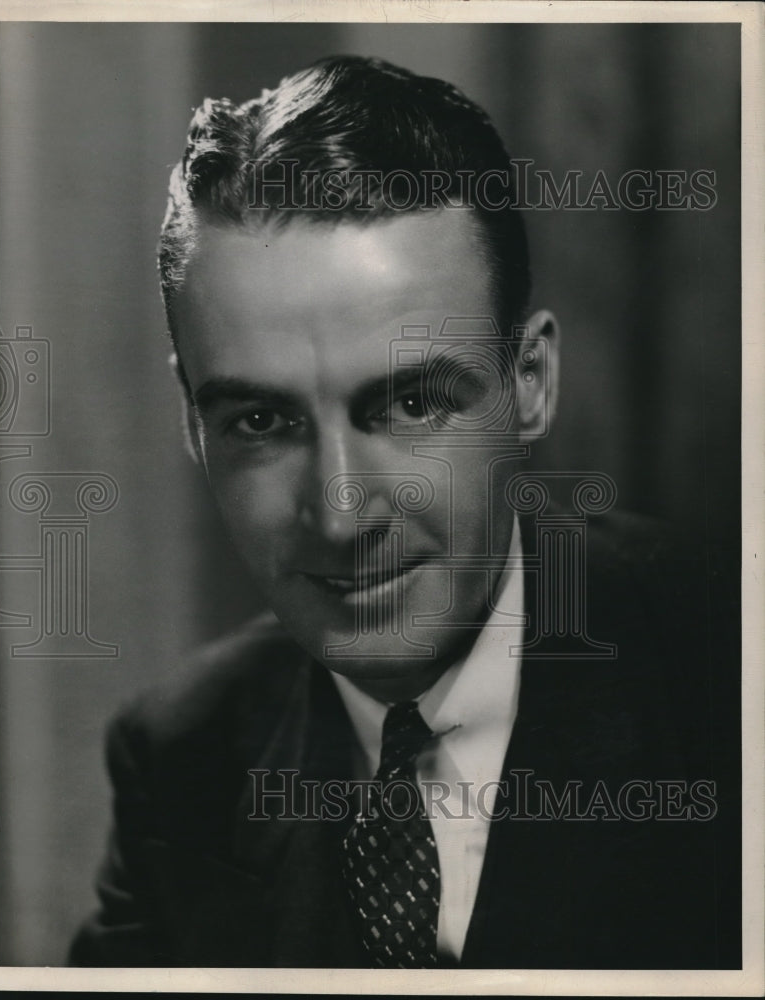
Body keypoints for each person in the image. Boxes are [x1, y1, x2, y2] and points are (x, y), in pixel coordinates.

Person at [69, 55, 739, 970]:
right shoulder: (183, 756)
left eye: (411, 405)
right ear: (195, 430)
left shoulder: (729, 671)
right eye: (261, 422)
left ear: (529, 383)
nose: (340, 517)